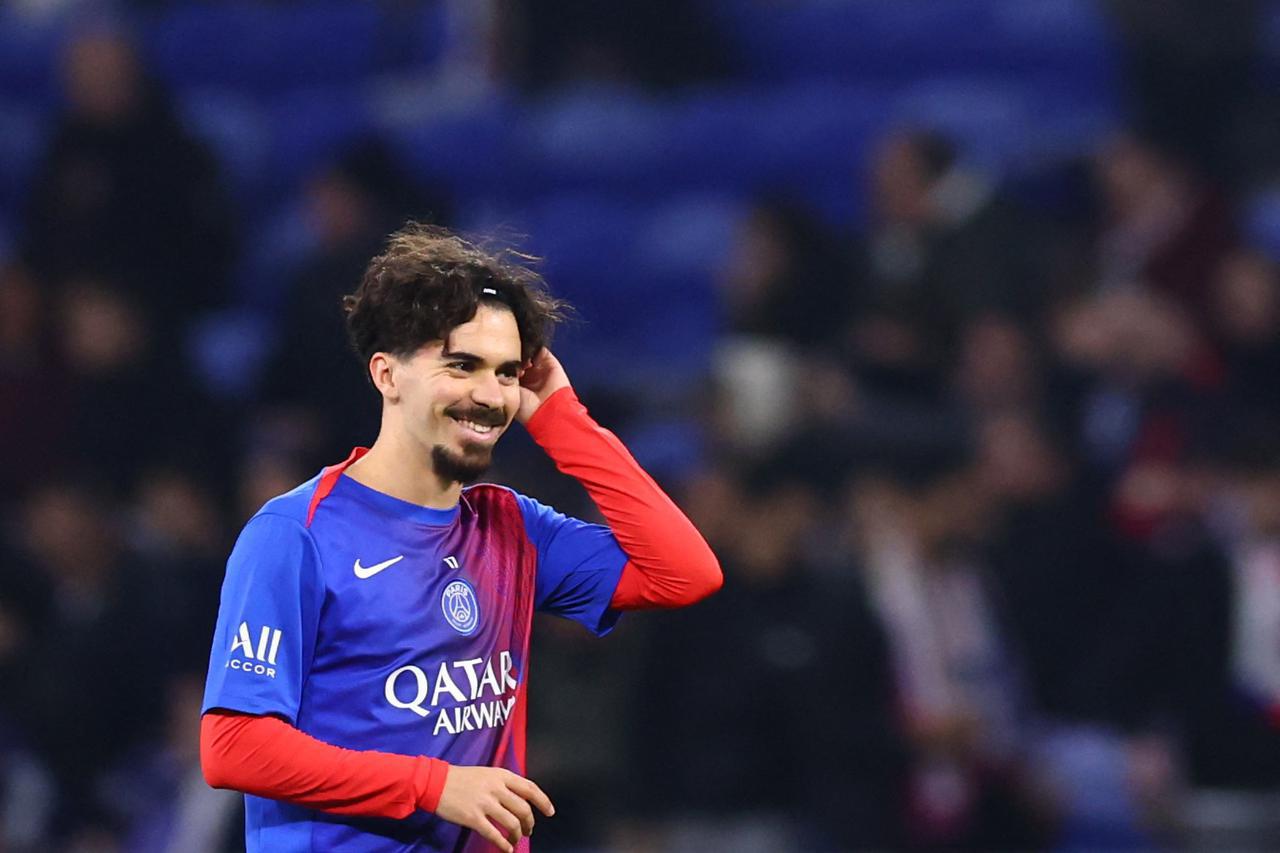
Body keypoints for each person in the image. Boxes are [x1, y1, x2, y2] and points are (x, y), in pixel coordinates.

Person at [198, 223, 722, 852]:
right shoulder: (295, 534)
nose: (490, 395)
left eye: (507, 373)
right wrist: (433, 785)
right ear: (387, 375)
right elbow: (235, 746)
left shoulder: (510, 526)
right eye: (462, 365)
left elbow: (685, 574)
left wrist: (562, 418)